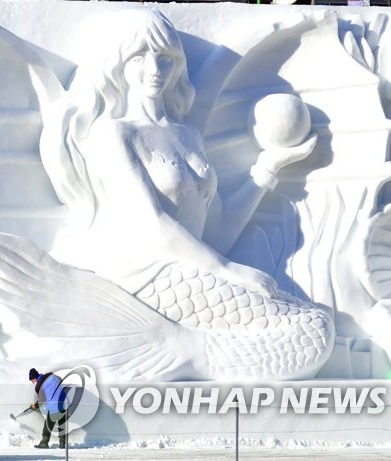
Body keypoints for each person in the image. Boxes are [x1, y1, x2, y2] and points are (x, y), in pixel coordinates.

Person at [39, 9, 317, 296]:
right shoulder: (113, 134)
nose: (155, 70)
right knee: (303, 325)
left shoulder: (188, 135)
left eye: (165, 59)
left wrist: (269, 166)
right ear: (117, 64)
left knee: (309, 322)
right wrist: (225, 270)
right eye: (139, 58)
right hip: (141, 281)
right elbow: (151, 222)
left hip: (191, 275)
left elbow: (217, 233)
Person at [29, 367, 69, 449]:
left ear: (35, 378)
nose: (33, 383)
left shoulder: (40, 385)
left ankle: (44, 442)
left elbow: (42, 400)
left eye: (32, 381)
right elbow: (61, 380)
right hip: (64, 403)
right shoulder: (52, 376)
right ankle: (62, 443)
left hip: (54, 406)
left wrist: (35, 406)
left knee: (48, 425)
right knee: (62, 423)